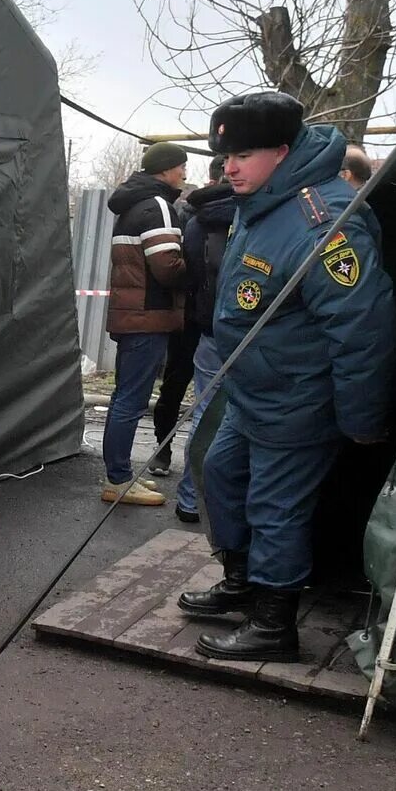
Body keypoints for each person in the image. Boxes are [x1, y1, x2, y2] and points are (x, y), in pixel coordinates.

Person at [178, 93, 396, 661]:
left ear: (282, 150)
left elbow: (364, 331)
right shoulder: (263, 201)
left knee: (276, 507)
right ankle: (243, 582)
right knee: (220, 470)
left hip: (299, 397)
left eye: (243, 153)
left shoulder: (325, 222)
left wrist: (362, 419)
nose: (229, 166)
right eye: (224, 154)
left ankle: (275, 624)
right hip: (254, 390)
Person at [101, 143, 190, 504]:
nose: (185, 172)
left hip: (131, 315)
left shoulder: (133, 205)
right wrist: (195, 277)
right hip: (148, 317)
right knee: (130, 399)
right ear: (166, 169)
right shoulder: (158, 206)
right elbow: (167, 266)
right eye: (181, 166)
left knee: (124, 395)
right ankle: (118, 480)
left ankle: (118, 474)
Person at [171, 155, 238, 524]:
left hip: (209, 331)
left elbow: (189, 272)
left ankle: (190, 499)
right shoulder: (253, 218)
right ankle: (228, 504)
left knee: (204, 413)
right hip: (251, 335)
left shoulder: (196, 221)